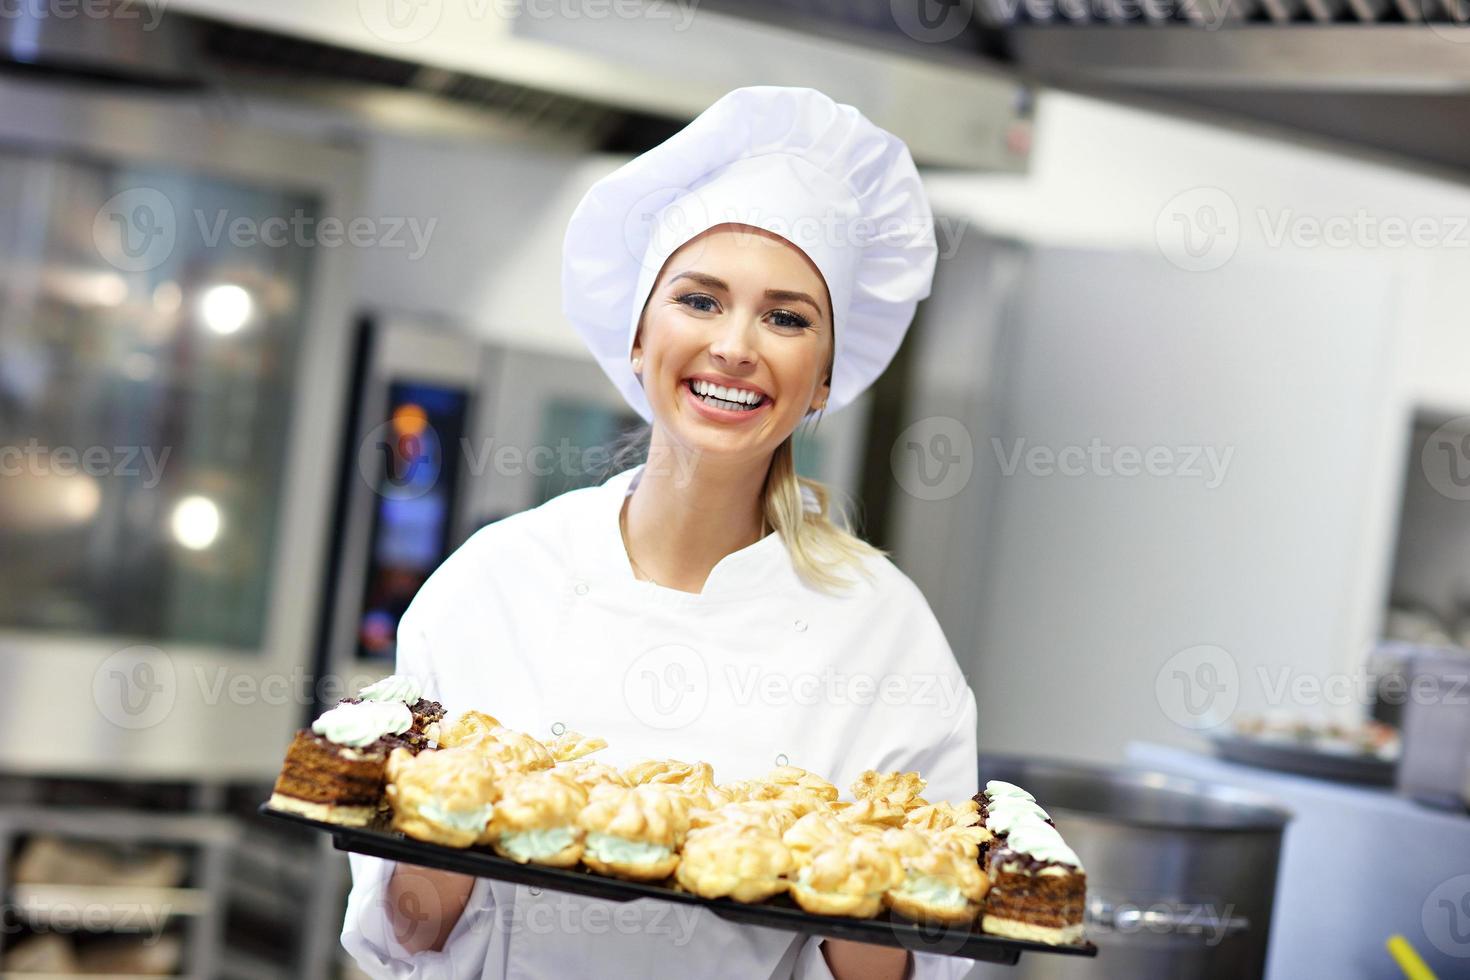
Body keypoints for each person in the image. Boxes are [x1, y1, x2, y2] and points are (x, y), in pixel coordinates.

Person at [342, 85, 978, 980]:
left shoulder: (886, 637)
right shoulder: (496, 582)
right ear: (637, 334)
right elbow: (407, 934)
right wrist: (436, 815)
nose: (736, 346)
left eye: (788, 317)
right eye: (700, 299)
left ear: (827, 376)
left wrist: (860, 864)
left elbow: (909, 972)